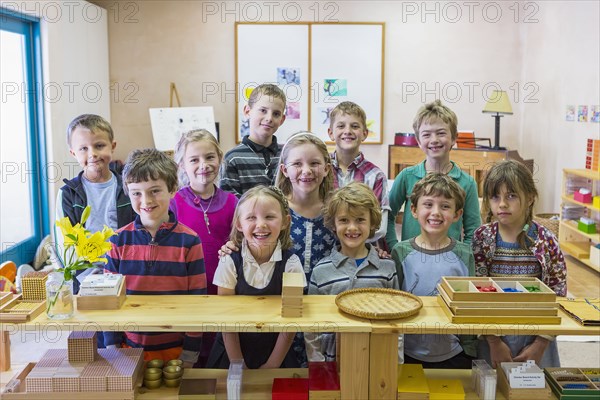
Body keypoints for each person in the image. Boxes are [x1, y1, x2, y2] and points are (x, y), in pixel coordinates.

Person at [104, 148, 206, 367]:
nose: (146, 200)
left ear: (172, 189)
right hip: (128, 351)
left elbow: (197, 302)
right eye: (136, 193)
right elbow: (108, 302)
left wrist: (190, 352)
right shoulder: (116, 241)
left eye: (155, 191)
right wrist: (113, 347)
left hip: (176, 352)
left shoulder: (190, 241)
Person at [472, 159, 566, 368]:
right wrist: (494, 341)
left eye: (511, 195)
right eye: (495, 196)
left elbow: (558, 293)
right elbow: (475, 292)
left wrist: (541, 343)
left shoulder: (546, 240)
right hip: (492, 335)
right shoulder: (482, 238)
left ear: (530, 197)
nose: (502, 204)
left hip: (537, 337)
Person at [207, 186, 305, 369]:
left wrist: (272, 364)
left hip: (276, 353)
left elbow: (291, 321)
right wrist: (237, 362)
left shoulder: (292, 264)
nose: (260, 224)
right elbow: (226, 319)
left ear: (285, 221)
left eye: (269, 216)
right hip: (231, 352)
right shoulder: (229, 261)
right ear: (239, 224)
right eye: (251, 217)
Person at [306, 182, 399, 362]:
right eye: (344, 220)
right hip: (331, 364)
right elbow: (312, 326)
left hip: (379, 362)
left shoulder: (387, 268)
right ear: (333, 223)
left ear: (372, 222)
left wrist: (396, 361)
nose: (352, 228)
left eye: (360, 220)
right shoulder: (320, 272)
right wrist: (317, 364)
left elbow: (396, 322)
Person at [392, 173, 476, 368]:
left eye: (445, 206)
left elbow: (469, 306)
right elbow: (394, 302)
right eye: (428, 204)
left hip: (454, 352)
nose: (436, 212)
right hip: (408, 352)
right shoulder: (401, 252)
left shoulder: (465, 254)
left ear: (457, 214)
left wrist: (470, 349)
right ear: (413, 210)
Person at [55, 114, 136, 295]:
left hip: (127, 275)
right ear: (73, 153)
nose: (92, 154)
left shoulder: (129, 188)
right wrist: (88, 281)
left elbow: (139, 232)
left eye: (99, 145)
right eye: (83, 148)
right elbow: (65, 245)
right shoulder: (67, 194)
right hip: (85, 282)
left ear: (112, 146)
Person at [386, 100, 480, 248]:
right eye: (426, 135)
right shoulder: (406, 177)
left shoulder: (467, 183)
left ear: (454, 138)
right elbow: (388, 215)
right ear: (418, 140)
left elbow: (473, 230)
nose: (434, 140)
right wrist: (393, 247)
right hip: (409, 261)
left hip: (450, 264)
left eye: (441, 133)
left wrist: (463, 255)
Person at [171, 129, 238, 295]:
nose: (204, 165)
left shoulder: (233, 203)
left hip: (225, 287)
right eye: (194, 160)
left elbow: (240, 242)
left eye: (209, 157)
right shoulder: (174, 203)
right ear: (182, 165)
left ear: (220, 159)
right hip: (185, 289)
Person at [327, 101, 390, 241]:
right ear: (331, 133)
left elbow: (380, 226)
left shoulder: (376, 176)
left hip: (362, 249)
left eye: (354, 126)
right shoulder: (321, 171)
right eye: (341, 126)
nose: (348, 131)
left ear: (364, 133)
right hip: (325, 249)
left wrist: (353, 243)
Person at [220, 83, 287, 197]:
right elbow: (231, 203)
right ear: (247, 111)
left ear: (282, 120)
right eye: (263, 110)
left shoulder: (287, 155)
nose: (269, 118)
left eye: (276, 114)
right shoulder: (233, 158)